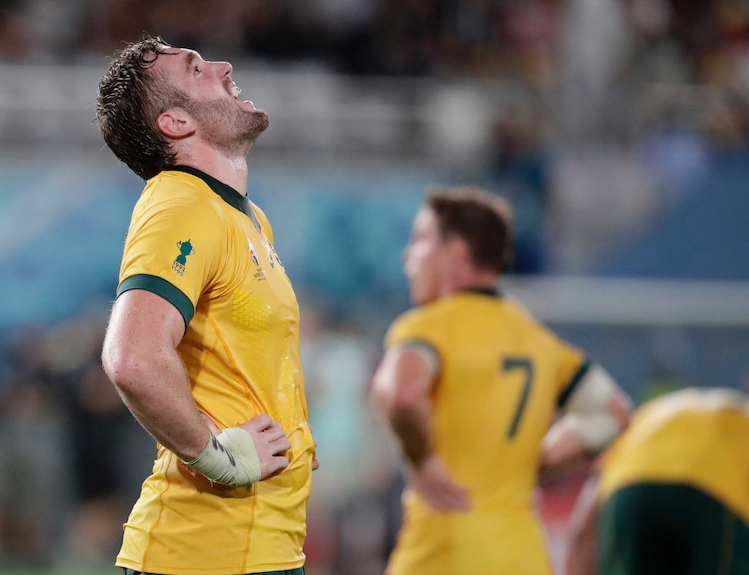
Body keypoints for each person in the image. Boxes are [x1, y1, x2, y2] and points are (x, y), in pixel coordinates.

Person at [95, 35, 317, 575]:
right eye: (196, 69)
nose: (224, 66)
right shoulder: (181, 201)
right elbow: (133, 358)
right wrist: (218, 457)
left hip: (257, 546)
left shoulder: (246, 218)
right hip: (205, 552)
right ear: (175, 123)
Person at [369, 186, 633, 575]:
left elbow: (401, 393)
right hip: (525, 554)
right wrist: (535, 461)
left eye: (421, 240)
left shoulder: (429, 327)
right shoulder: (539, 340)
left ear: (455, 252)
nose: (408, 256)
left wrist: (422, 459)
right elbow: (615, 413)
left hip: (446, 549)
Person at [565, 387, 749, 575]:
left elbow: (585, 522)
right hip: (716, 490)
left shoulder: (651, 415)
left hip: (629, 487)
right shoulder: (740, 419)